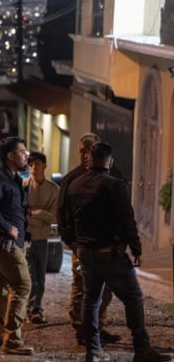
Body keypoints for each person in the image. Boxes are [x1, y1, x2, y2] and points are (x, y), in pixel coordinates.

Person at [62, 143, 171, 362]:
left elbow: (67, 218)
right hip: (110, 253)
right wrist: (136, 248)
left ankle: (93, 350)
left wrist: (74, 242)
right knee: (133, 298)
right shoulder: (115, 185)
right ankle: (141, 349)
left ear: (89, 159)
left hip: (85, 252)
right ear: (109, 161)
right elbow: (126, 220)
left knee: (91, 299)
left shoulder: (75, 185)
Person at [58, 134, 120, 346]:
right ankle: (82, 328)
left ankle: (97, 326)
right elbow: (62, 213)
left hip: (106, 244)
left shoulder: (111, 176)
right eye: (83, 151)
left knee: (106, 289)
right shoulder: (72, 179)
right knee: (82, 287)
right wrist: (71, 241)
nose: (86, 156)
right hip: (82, 244)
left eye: (90, 151)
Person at [0, 137, 34, 355]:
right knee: (22, 285)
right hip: (3, 242)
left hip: (12, 242)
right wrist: (7, 228)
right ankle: (11, 340)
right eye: (22, 152)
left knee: (2, 288)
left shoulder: (15, 179)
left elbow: (17, 210)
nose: (26, 155)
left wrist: (25, 234)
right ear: (10, 156)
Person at [23, 152, 59, 324]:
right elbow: (21, 213)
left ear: (44, 165)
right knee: (31, 275)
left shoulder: (53, 189)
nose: (34, 168)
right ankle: (33, 309)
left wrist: (34, 213)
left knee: (40, 275)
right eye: (31, 165)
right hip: (26, 237)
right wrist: (41, 215)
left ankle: (35, 307)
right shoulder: (23, 186)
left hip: (42, 237)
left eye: (37, 164)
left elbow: (54, 216)